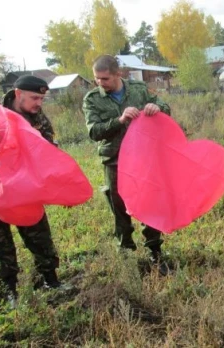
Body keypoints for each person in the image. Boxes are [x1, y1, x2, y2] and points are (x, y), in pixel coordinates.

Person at [0, 76, 67, 305]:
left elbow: (48, 152)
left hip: (24, 187)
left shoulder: (38, 118)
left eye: (42, 98)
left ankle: (50, 279)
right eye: (34, 98)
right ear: (18, 93)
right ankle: (11, 289)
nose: (39, 103)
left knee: (39, 235)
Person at [83, 54, 172, 275]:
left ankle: (155, 252)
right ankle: (127, 255)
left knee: (149, 204)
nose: (100, 83)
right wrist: (119, 120)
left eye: (105, 79)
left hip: (144, 158)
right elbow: (94, 131)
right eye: (97, 79)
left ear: (118, 74)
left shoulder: (139, 89)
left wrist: (156, 107)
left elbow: (165, 107)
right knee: (120, 208)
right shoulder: (92, 98)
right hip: (114, 160)